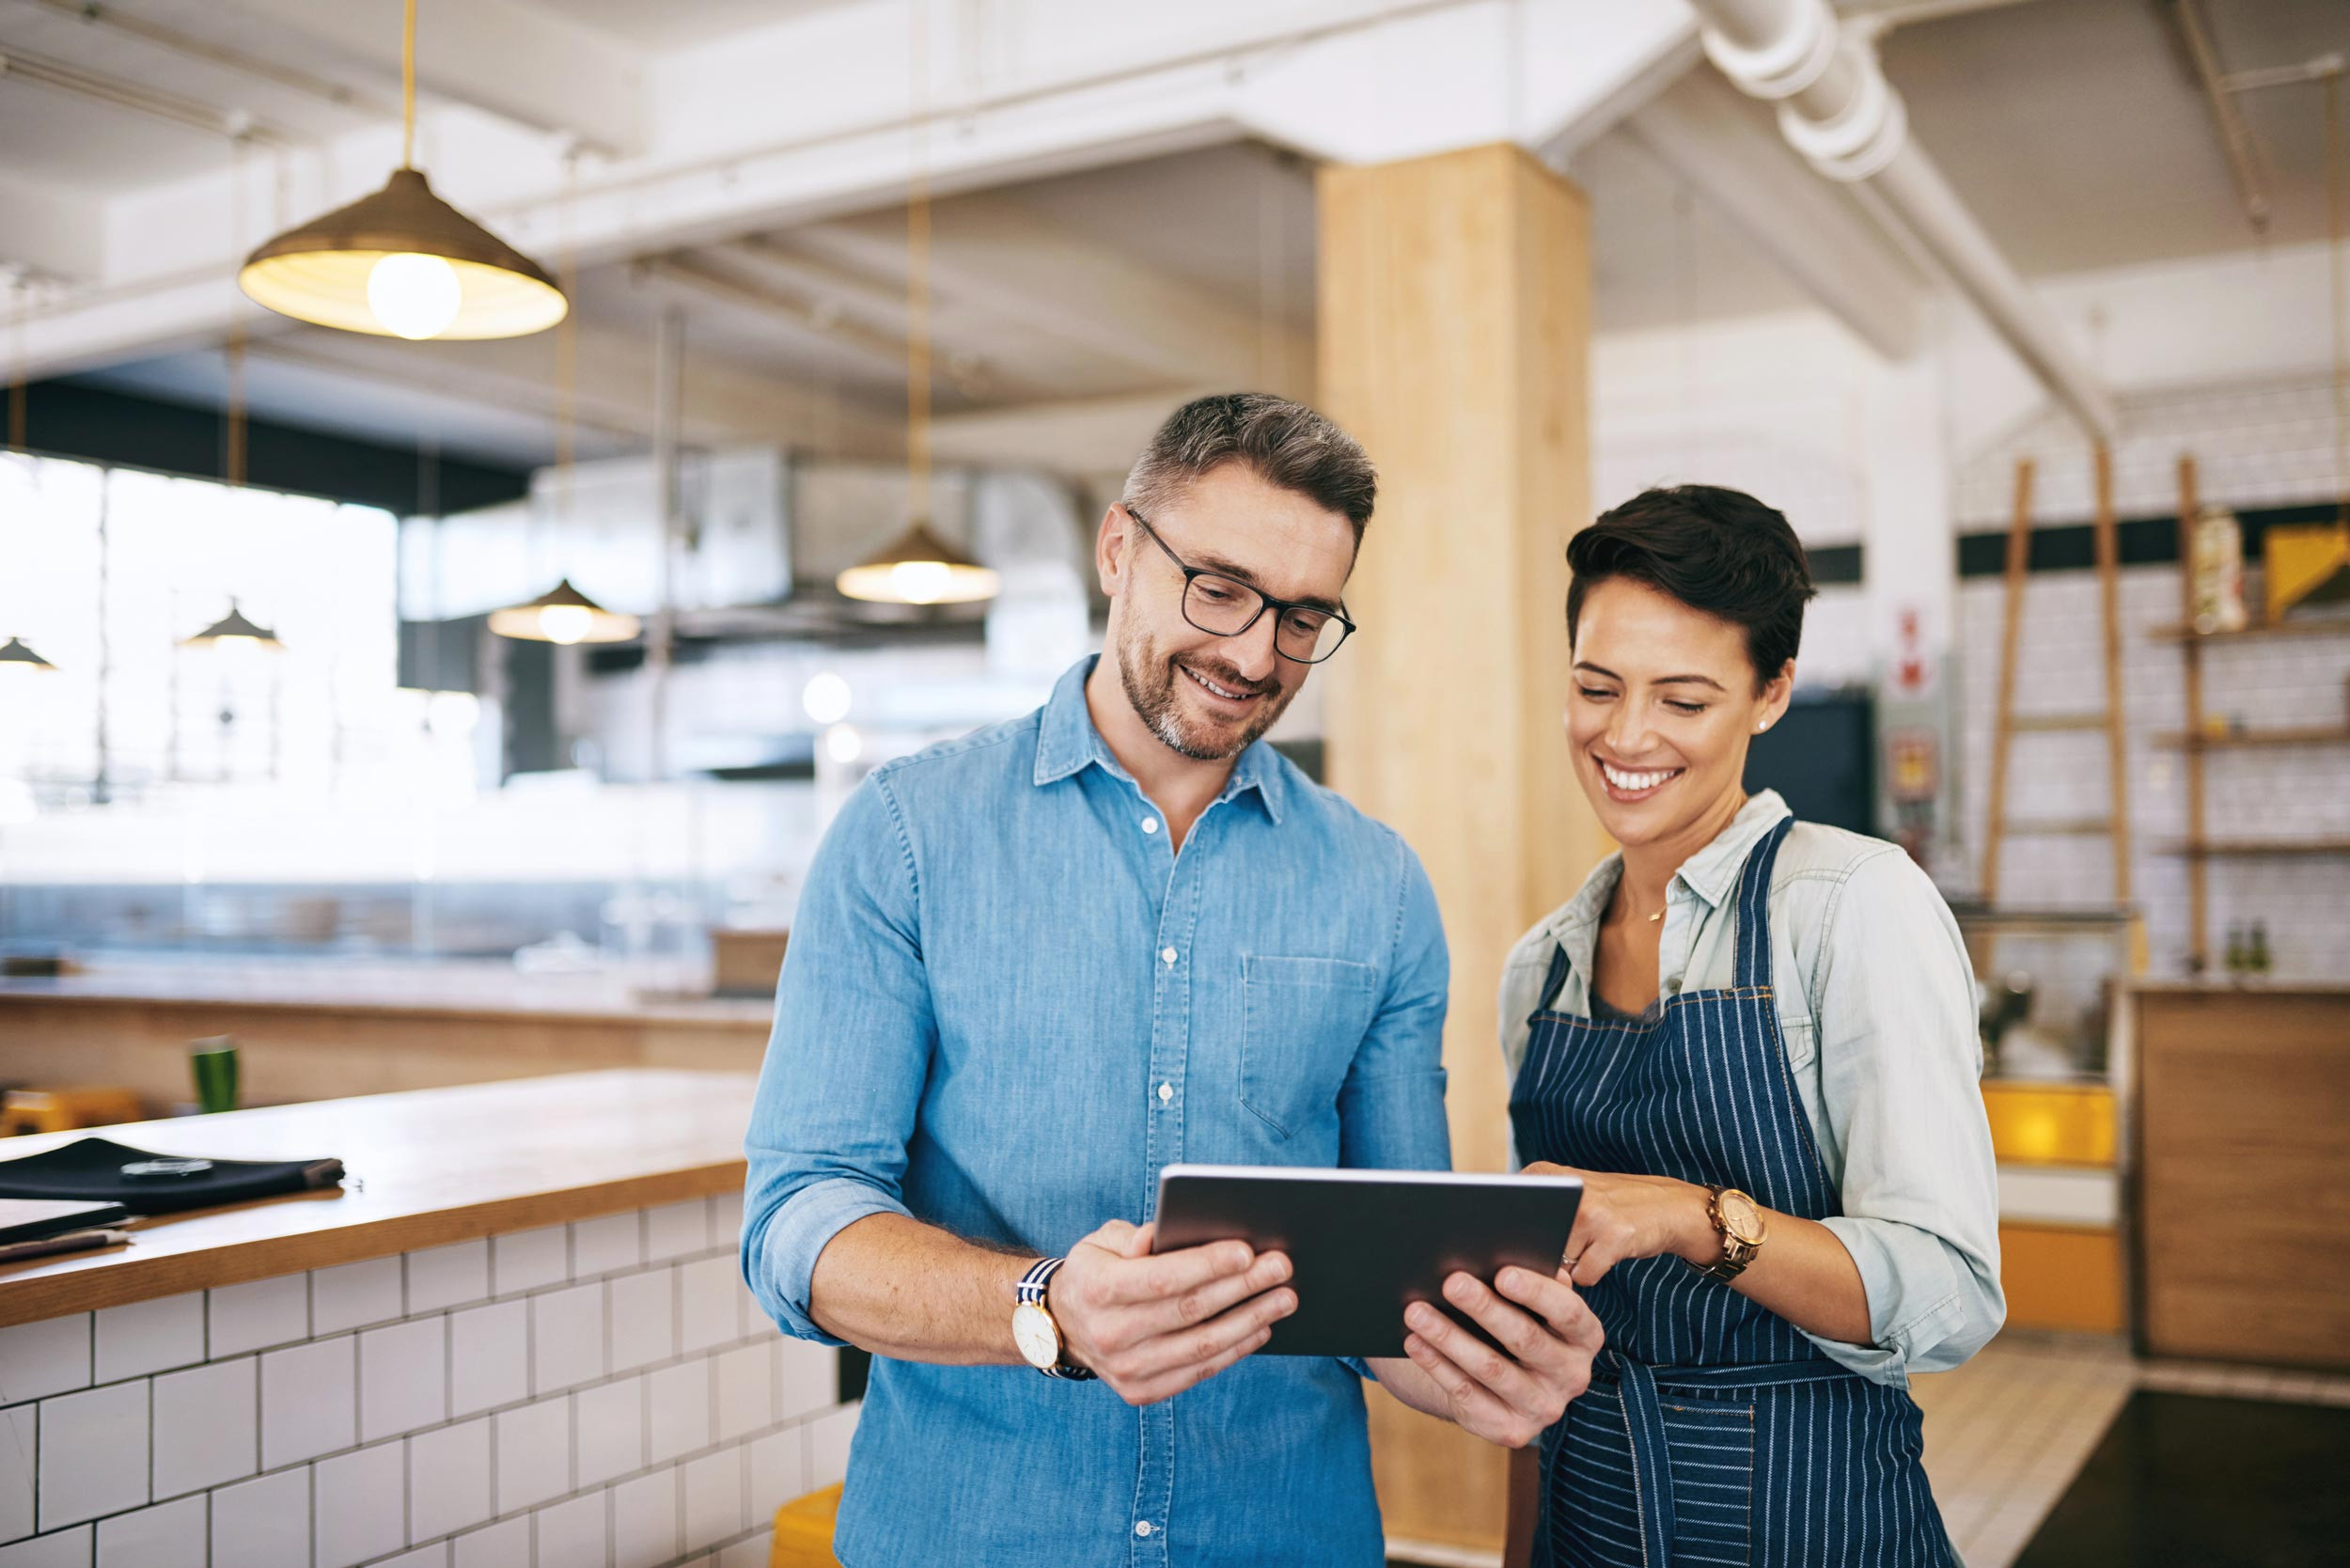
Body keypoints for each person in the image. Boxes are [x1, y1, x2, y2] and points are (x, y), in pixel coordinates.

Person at [742, 393, 1603, 1568]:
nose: (1254, 655)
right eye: (1220, 588)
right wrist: (1041, 1307)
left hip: (1283, 1534)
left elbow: (1385, 1284)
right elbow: (800, 1223)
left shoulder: (1379, 886)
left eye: (1303, 618)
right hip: (968, 1534)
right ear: (1116, 549)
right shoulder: (905, 835)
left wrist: (1478, 1374)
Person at [1498, 485, 2003, 1567]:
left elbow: (1950, 1291)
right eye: (1596, 687)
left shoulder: (1851, 906)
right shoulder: (1537, 967)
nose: (1625, 736)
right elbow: (1531, 1327)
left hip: (1810, 1516)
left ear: (1771, 694)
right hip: (1581, 1517)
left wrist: (1688, 1216)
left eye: (1683, 701)